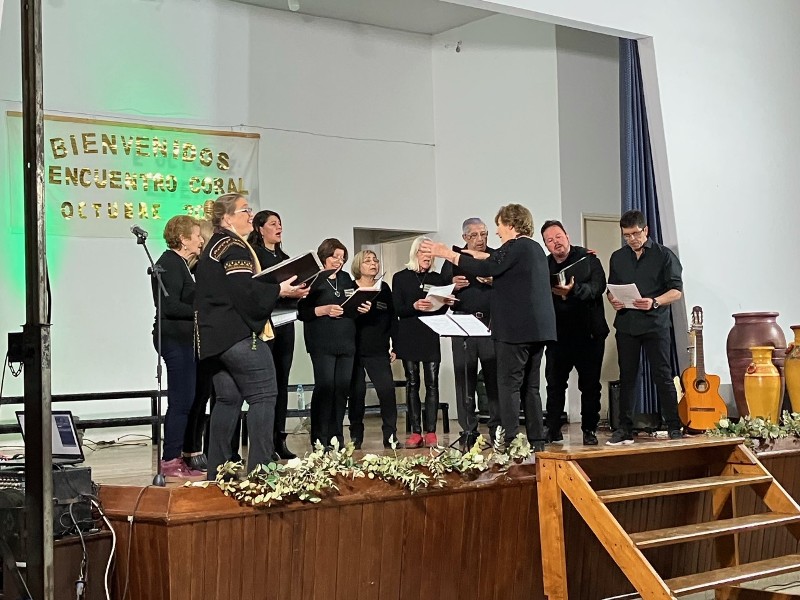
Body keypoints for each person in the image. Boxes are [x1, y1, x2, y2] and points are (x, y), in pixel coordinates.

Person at [422, 204, 556, 451]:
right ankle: (537, 441)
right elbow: (496, 263)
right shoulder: (533, 248)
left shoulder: (516, 246)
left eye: (499, 226)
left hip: (515, 332)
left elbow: (489, 267)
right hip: (537, 331)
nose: (496, 232)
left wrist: (448, 253)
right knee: (531, 388)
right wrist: (480, 258)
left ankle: (510, 442)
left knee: (508, 386)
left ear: (511, 225)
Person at [194, 193, 302, 479]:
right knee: (264, 393)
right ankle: (261, 470)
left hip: (213, 341)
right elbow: (244, 292)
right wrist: (280, 290)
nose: (250, 216)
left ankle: (218, 472)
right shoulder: (234, 247)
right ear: (227, 217)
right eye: (245, 210)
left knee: (228, 399)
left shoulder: (213, 245)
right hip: (236, 336)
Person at [605, 210, 683, 445]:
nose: (631, 239)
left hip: (655, 324)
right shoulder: (618, 257)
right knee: (627, 377)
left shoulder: (664, 255)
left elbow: (676, 291)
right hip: (627, 324)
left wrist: (655, 301)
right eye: (626, 235)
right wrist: (613, 300)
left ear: (645, 230)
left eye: (635, 234)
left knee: (662, 375)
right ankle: (624, 429)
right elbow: (611, 289)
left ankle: (674, 425)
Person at [540, 220, 609, 446]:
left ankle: (589, 429)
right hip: (558, 336)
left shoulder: (587, 259)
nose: (556, 242)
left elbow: (598, 287)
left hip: (588, 335)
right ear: (546, 245)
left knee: (590, 386)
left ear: (567, 236)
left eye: (558, 236)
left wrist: (573, 290)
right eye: (550, 240)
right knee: (554, 385)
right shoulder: (544, 266)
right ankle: (553, 428)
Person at [248, 209, 309, 460]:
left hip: (286, 323)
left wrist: (301, 291)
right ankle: (262, 442)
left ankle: (278, 439)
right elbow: (255, 289)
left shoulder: (285, 258)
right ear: (260, 229)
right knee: (266, 384)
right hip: (266, 324)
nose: (278, 227)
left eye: (280, 223)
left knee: (282, 382)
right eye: (273, 224)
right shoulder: (255, 256)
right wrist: (281, 291)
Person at [298, 239, 370, 449]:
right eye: (335, 257)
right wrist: (324, 310)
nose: (339, 261)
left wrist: (361, 308)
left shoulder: (346, 278)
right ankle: (319, 437)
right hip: (322, 342)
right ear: (324, 257)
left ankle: (336, 436)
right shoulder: (313, 280)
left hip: (346, 341)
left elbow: (351, 305)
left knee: (341, 390)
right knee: (325, 388)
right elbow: (301, 312)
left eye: (342, 258)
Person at [151, 215, 206, 479]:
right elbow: (169, 305)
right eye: (197, 235)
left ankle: (177, 457)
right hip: (174, 339)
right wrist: (201, 313)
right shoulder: (169, 264)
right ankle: (170, 460)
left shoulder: (181, 264)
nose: (201, 239)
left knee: (187, 399)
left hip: (184, 339)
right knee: (181, 401)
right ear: (183, 239)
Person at [440, 218, 500, 450]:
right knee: (464, 379)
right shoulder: (453, 259)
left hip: (490, 324)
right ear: (464, 237)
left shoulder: (494, 257)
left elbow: (511, 286)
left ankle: (497, 429)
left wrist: (494, 281)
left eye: (484, 234)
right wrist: (453, 285)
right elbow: (440, 292)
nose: (480, 239)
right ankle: (468, 430)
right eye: (474, 235)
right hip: (462, 324)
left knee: (494, 379)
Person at [393, 236, 451, 449]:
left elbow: (442, 309)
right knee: (412, 382)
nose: (427, 257)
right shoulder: (400, 277)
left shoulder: (438, 278)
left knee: (432, 383)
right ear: (415, 253)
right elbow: (398, 309)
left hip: (430, 333)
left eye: (430, 253)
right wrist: (414, 306)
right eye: (423, 253)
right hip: (409, 334)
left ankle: (431, 431)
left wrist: (446, 303)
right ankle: (416, 432)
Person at [348, 250, 402, 449]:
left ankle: (390, 436)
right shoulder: (350, 288)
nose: (373, 263)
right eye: (367, 261)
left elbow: (392, 318)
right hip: (355, 349)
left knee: (387, 391)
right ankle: (356, 436)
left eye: (375, 260)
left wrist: (396, 345)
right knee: (357, 394)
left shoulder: (384, 288)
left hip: (378, 350)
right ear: (358, 266)